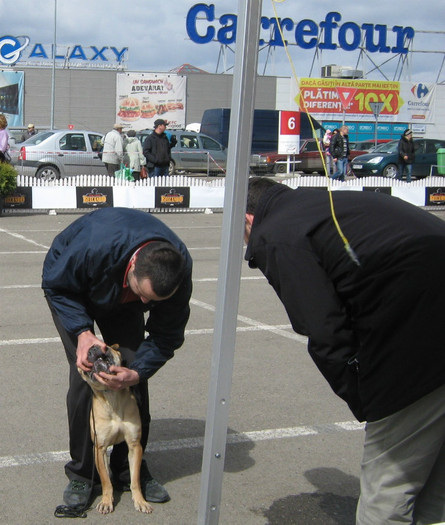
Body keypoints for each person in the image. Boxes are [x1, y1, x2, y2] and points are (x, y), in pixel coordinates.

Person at [244, 177, 445, 525]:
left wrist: (363, 397)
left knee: (388, 488)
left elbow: (323, 328)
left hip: (418, 345)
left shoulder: (276, 232)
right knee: (435, 486)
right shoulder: (328, 205)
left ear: (248, 219)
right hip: (426, 319)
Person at [42, 207, 193, 510]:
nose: (146, 304)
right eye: (143, 295)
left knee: (133, 367)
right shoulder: (92, 246)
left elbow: (166, 336)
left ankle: (128, 470)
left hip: (121, 296)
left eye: (154, 301)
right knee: (87, 376)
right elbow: (56, 285)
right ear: (134, 263)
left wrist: (136, 373)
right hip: (73, 289)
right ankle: (83, 473)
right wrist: (83, 332)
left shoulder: (177, 269)